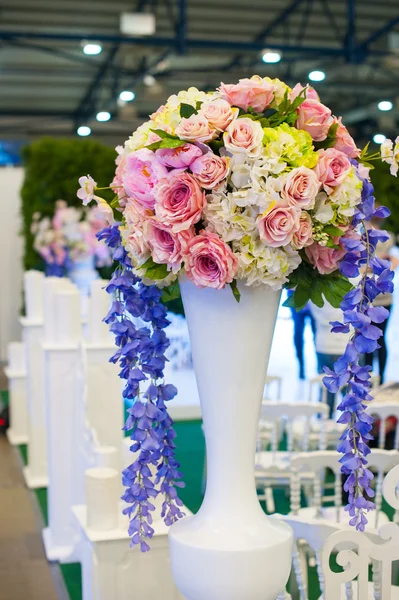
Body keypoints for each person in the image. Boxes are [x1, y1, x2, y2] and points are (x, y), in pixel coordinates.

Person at [364, 224, 399, 384]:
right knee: (372, 338)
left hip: (379, 297)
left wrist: (380, 270)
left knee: (376, 338)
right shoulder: (365, 238)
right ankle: (373, 377)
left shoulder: (384, 238)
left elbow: (395, 261)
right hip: (372, 297)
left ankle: (377, 377)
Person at [310, 300, 352, 417]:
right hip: (346, 344)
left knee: (326, 396)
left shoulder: (315, 284)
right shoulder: (353, 284)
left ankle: (323, 429)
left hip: (325, 343)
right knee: (351, 397)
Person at [288, 290, 316, 380]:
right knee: (298, 333)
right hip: (295, 294)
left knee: (316, 332)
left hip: (313, 293)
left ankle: (320, 366)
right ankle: (301, 367)